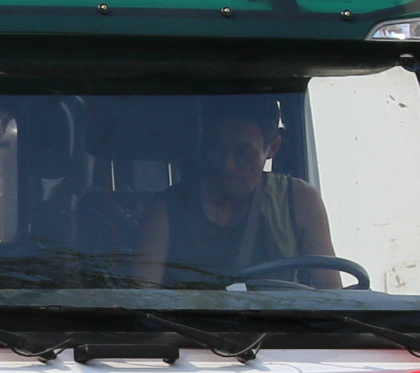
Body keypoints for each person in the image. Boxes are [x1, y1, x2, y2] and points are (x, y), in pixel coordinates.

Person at [133, 101, 340, 286]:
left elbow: (332, 296)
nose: (228, 165)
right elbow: (143, 297)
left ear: (272, 147)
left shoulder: (298, 200)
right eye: (218, 149)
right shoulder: (168, 208)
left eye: (243, 152)